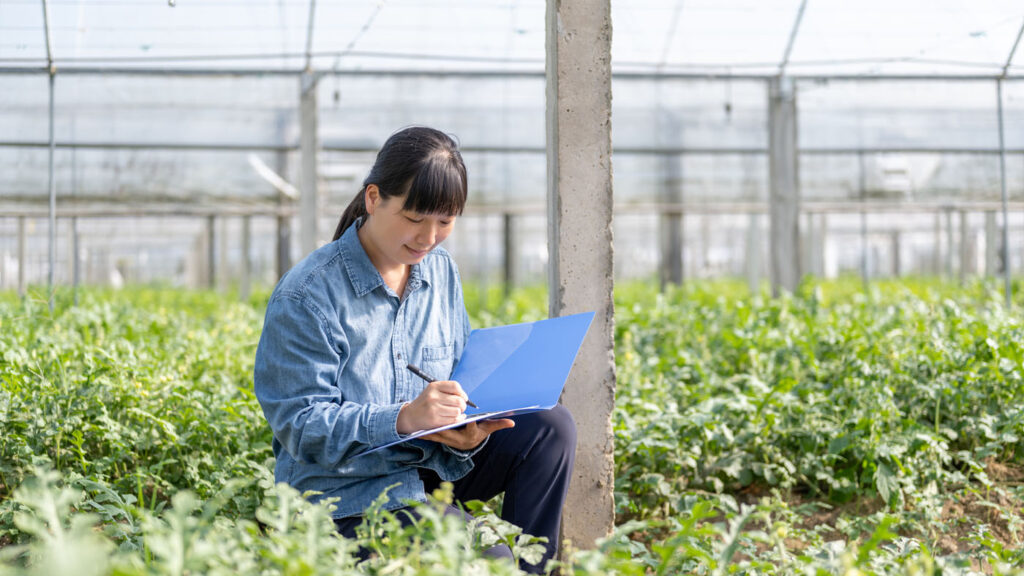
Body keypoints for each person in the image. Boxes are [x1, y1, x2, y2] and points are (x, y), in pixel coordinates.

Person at [253, 126, 576, 573]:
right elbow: (301, 425)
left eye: (444, 222)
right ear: (373, 198)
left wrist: (468, 427)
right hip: (345, 494)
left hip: (432, 462)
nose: (428, 237)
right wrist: (404, 418)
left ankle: (533, 568)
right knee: (490, 560)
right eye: (414, 218)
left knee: (549, 425)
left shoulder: (440, 271)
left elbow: (459, 371)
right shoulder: (308, 295)